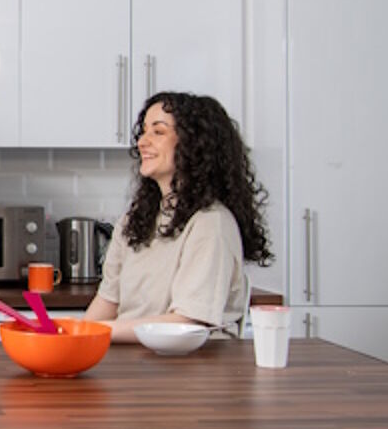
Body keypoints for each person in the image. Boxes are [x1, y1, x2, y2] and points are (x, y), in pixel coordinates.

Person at [84, 92, 273, 343]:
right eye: (143, 131)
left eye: (158, 132)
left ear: (193, 145)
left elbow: (186, 323)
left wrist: (94, 332)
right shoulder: (134, 220)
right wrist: (69, 336)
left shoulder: (211, 223)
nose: (142, 141)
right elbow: (108, 302)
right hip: (138, 363)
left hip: (193, 370)